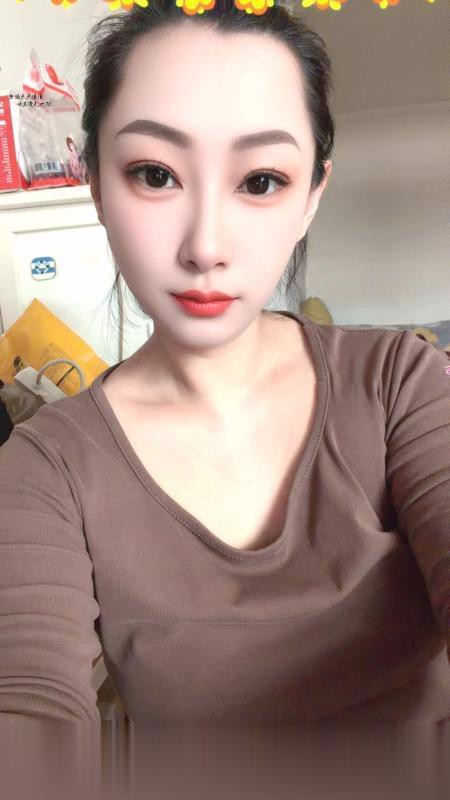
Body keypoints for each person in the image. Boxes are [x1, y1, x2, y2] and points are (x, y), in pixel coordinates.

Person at [0, 1, 449, 794]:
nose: (205, 246)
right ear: (95, 181)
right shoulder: (45, 468)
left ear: (312, 195)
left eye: (261, 181)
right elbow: (28, 702)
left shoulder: (399, 383)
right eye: (154, 174)